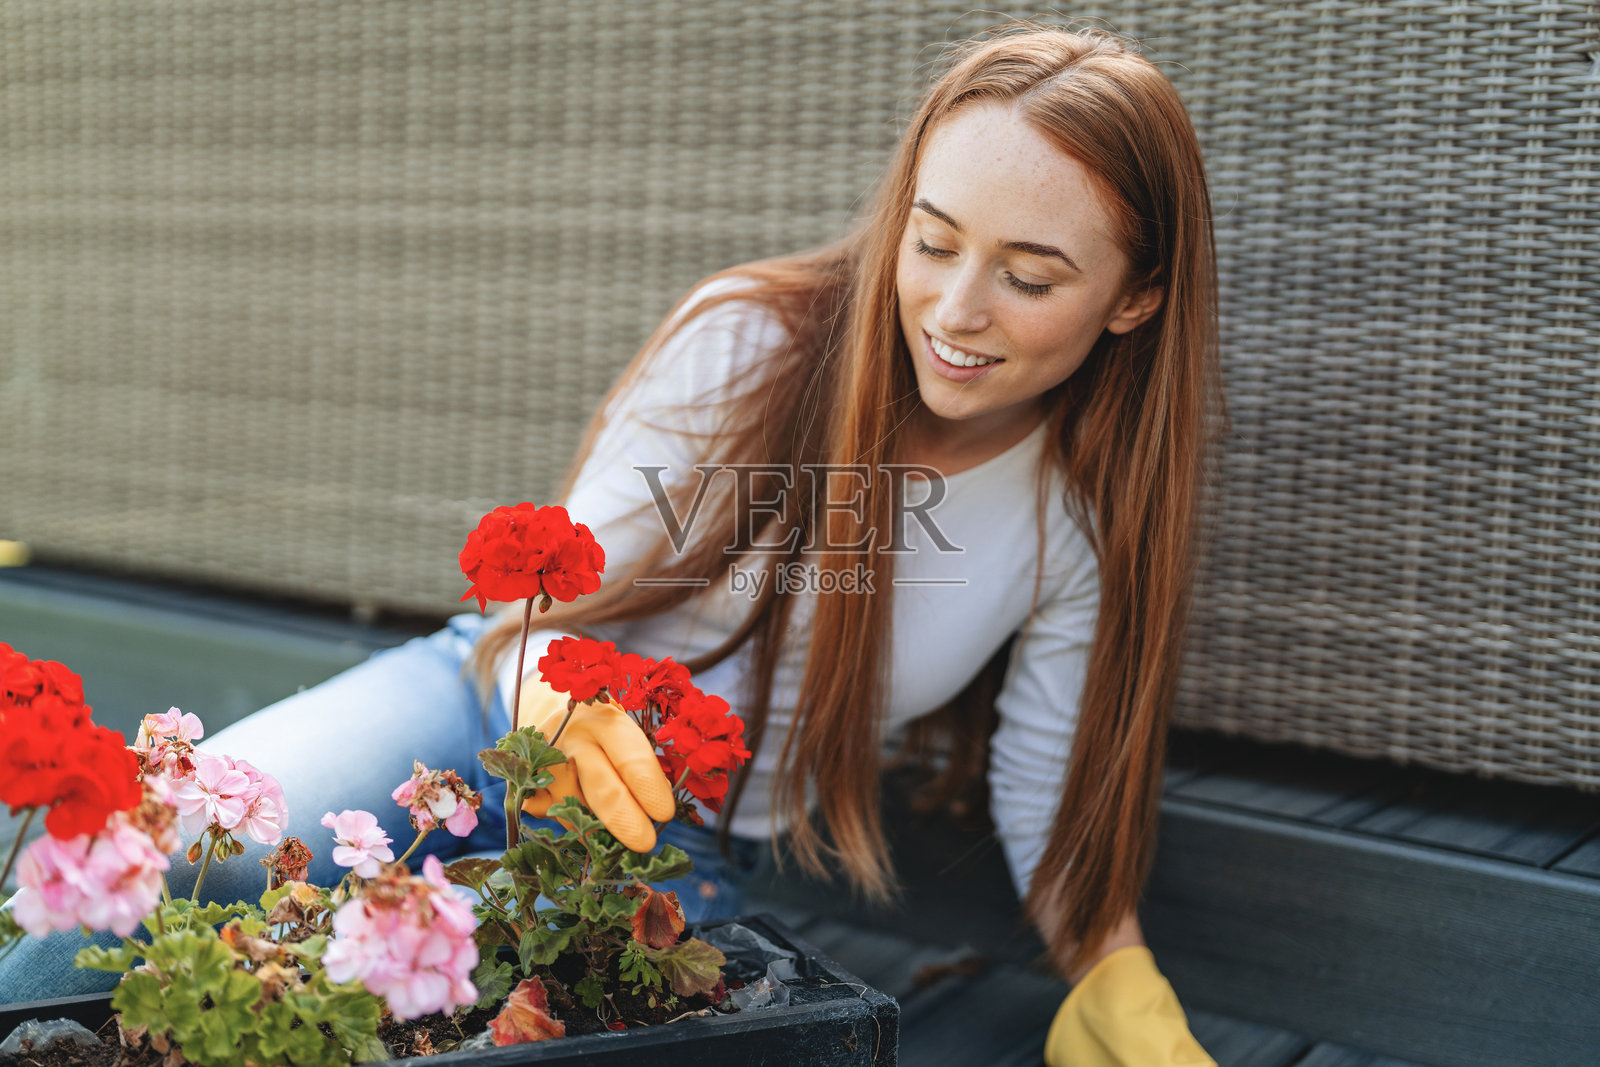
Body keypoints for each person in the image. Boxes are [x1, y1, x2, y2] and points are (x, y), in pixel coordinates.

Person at [1, 23, 1219, 1065]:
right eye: (936, 241)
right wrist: (553, 699)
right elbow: (543, 600)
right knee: (131, 873)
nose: (956, 311)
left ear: (1135, 295)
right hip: (480, 709)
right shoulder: (754, 344)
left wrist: (1114, 976)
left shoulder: (1070, 520)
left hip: (664, 839)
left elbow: (1045, 779)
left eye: (1030, 276)